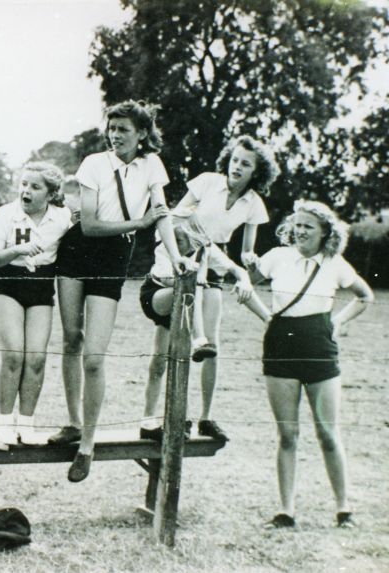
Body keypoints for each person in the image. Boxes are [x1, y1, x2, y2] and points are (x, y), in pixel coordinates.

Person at [49, 101, 189, 482]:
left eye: (124, 128)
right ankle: (73, 423)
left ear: (142, 133)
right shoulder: (94, 163)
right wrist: (139, 221)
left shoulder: (152, 166)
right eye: (112, 127)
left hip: (114, 259)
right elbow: (91, 224)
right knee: (71, 341)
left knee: (94, 357)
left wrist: (176, 259)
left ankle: (88, 445)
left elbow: (161, 216)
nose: (115, 134)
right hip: (78, 251)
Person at [244, 200, 373, 530]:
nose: (300, 231)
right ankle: (286, 510)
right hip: (280, 344)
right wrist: (263, 312)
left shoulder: (334, 263)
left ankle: (344, 509)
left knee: (328, 432)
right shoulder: (276, 257)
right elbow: (245, 284)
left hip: (319, 345)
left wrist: (337, 323)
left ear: (324, 233)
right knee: (288, 434)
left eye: (308, 227)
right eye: (297, 224)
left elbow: (365, 295)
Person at [170, 134, 278, 441]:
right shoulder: (206, 181)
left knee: (210, 343)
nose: (237, 167)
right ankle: (173, 416)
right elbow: (176, 217)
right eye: (235, 161)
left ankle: (205, 417)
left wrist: (249, 261)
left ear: (256, 171)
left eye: (246, 164)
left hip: (217, 258)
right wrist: (190, 228)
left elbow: (246, 250)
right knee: (183, 338)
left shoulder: (254, 203)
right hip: (187, 252)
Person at [139, 215, 255, 441]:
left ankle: (154, 421)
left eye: (182, 240)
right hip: (158, 297)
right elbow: (173, 280)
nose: (176, 243)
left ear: (195, 240)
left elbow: (236, 269)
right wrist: (198, 271)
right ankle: (199, 338)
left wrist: (244, 280)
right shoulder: (165, 249)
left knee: (159, 360)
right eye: (174, 237)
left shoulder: (206, 249)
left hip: (184, 302)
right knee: (192, 282)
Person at [0, 162, 72, 445]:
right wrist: (17, 250)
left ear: (50, 193)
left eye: (35, 187)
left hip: (40, 287)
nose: (26, 191)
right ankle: (4, 423)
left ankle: (27, 424)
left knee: (36, 357)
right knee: (13, 355)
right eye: (23, 184)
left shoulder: (61, 218)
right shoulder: (5, 215)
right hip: (6, 284)